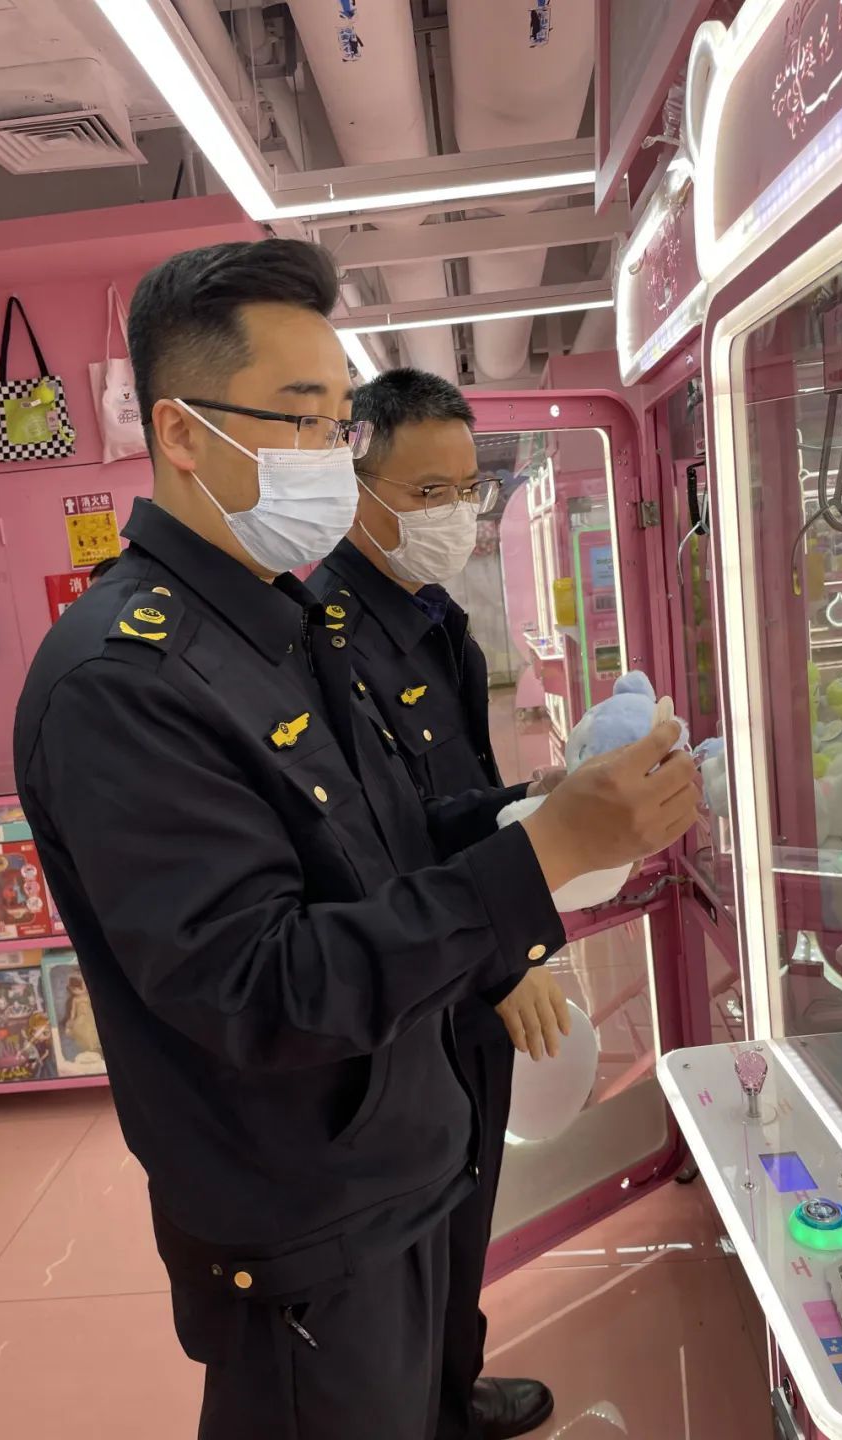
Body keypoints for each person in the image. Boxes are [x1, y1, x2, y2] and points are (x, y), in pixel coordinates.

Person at [13, 239, 699, 1440]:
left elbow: (387, 842)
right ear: (181, 434)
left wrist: (539, 808)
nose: (331, 454)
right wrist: (537, 860)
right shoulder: (123, 685)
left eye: (340, 422)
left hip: (401, 1144)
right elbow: (259, 986)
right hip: (304, 1215)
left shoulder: (281, 625)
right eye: (299, 418)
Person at [311, 368, 567, 1440]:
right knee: (433, 1214)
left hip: (474, 945)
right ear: (355, 487)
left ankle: (454, 1390)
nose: (455, 514)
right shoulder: (324, 638)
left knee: (470, 1197)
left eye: (468, 489)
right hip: (427, 973)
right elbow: (379, 847)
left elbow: (453, 794)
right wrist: (504, 961)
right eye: (427, 493)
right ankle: (433, 1405)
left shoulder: (433, 621)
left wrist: (542, 807)